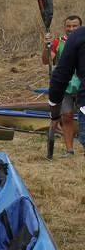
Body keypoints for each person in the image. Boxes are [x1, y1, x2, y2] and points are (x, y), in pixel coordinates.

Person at [43, 15, 82, 156]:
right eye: (68, 26)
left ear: (80, 27)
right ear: (64, 27)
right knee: (66, 117)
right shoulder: (57, 42)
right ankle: (70, 150)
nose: (71, 29)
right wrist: (46, 46)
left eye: (74, 26)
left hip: (82, 86)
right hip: (64, 86)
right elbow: (47, 60)